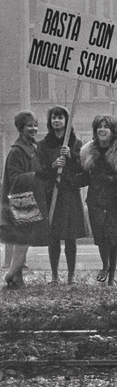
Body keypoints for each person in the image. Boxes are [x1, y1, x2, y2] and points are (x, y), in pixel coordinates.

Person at [80, 115, 117, 286]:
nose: (102, 130)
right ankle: (105, 265)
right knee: (101, 237)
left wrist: (113, 180)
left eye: (106, 127)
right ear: (95, 131)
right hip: (96, 201)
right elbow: (84, 178)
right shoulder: (88, 153)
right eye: (99, 127)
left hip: (116, 201)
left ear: (113, 131)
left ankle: (111, 277)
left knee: (113, 239)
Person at [37, 106, 86, 285]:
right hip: (52, 194)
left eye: (60, 118)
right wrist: (53, 165)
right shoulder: (43, 145)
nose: (57, 121)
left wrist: (70, 156)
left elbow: (82, 167)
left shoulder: (75, 143)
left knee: (70, 237)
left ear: (66, 121)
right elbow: (39, 169)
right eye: (54, 118)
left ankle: (71, 275)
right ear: (50, 122)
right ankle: (54, 275)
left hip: (69, 194)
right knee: (54, 237)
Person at [1, 111, 49, 288]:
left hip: (30, 199)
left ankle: (14, 275)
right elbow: (14, 178)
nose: (34, 129)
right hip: (20, 200)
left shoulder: (33, 148)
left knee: (25, 239)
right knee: (22, 239)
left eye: (35, 125)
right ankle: (13, 274)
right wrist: (35, 176)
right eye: (30, 126)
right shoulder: (17, 151)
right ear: (21, 128)